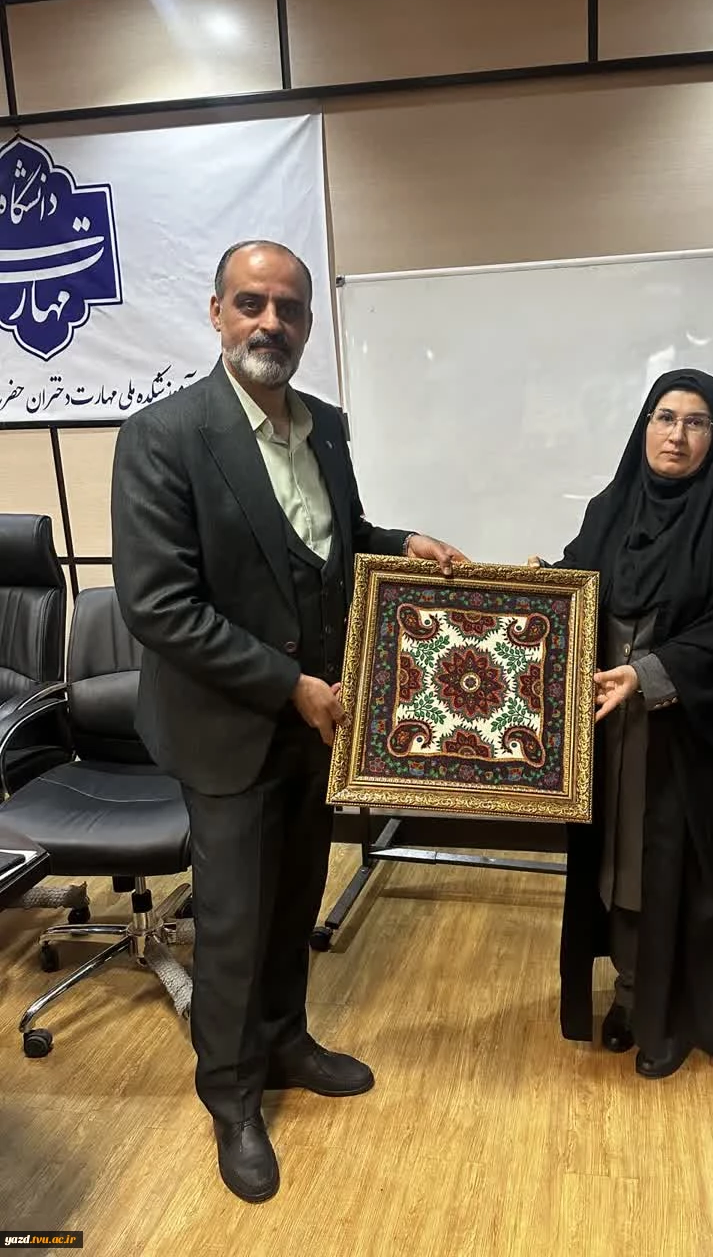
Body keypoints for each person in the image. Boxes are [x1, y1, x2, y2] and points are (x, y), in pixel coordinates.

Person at [111, 240, 467, 1202]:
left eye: (290, 308)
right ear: (217, 314)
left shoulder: (326, 429)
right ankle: (231, 1097)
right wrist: (288, 684)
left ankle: (285, 1042)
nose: (272, 322)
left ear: (308, 324)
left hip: (321, 722)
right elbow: (160, 605)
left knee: (298, 893)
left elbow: (327, 541)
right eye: (252, 303)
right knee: (233, 921)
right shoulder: (164, 436)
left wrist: (399, 542)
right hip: (230, 725)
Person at [544, 368, 713, 1078]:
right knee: (618, 870)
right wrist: (538, 591)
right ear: (644, 425)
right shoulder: (611, 508)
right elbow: (580, 580)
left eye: (695, 422)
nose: (677, 435)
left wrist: (647, 675)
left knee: (673, 875)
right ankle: (630, 994)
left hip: (686, 738)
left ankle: (669, 1018)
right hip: (610, 735)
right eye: (664, 417)